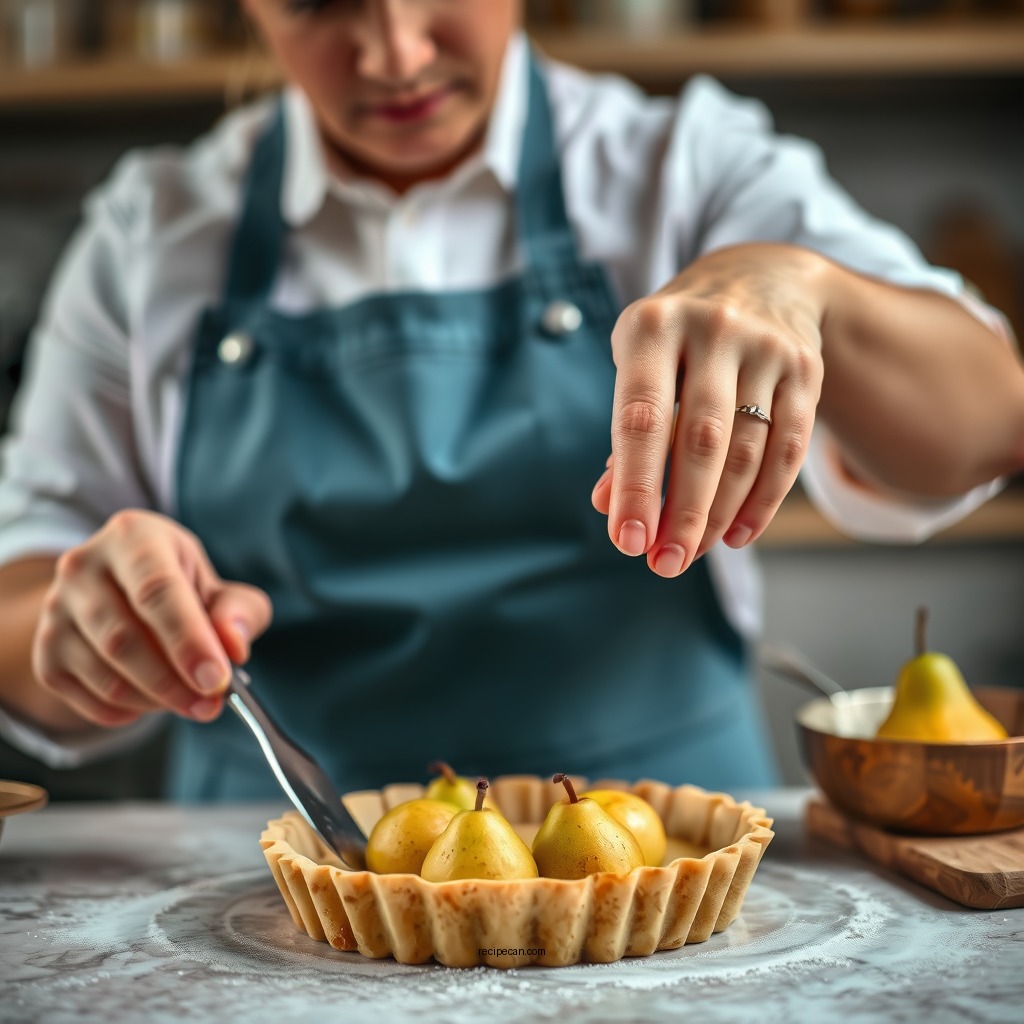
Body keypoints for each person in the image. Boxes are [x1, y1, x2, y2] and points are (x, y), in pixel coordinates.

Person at [0, 0, 1021, 801]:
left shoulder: (685, 166)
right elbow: (22, 587)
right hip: (273, 868)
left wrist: (808, 289)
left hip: (670, 859)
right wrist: (85, 627)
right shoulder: (151, 229)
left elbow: (989, 421)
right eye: (318, 1)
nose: (394, 51)